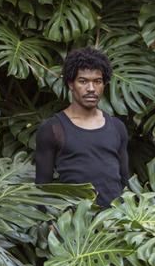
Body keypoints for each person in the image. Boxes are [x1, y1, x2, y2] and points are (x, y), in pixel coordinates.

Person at [35, 47, 130, 206]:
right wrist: (51, 225)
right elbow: (42, 187)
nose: (91, 89)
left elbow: (125, 180)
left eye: (97, 81)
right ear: (71, 84)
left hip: (116, 222)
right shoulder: (53, 129)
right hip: (74, 225)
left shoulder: (117, 127)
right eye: (83, 81)